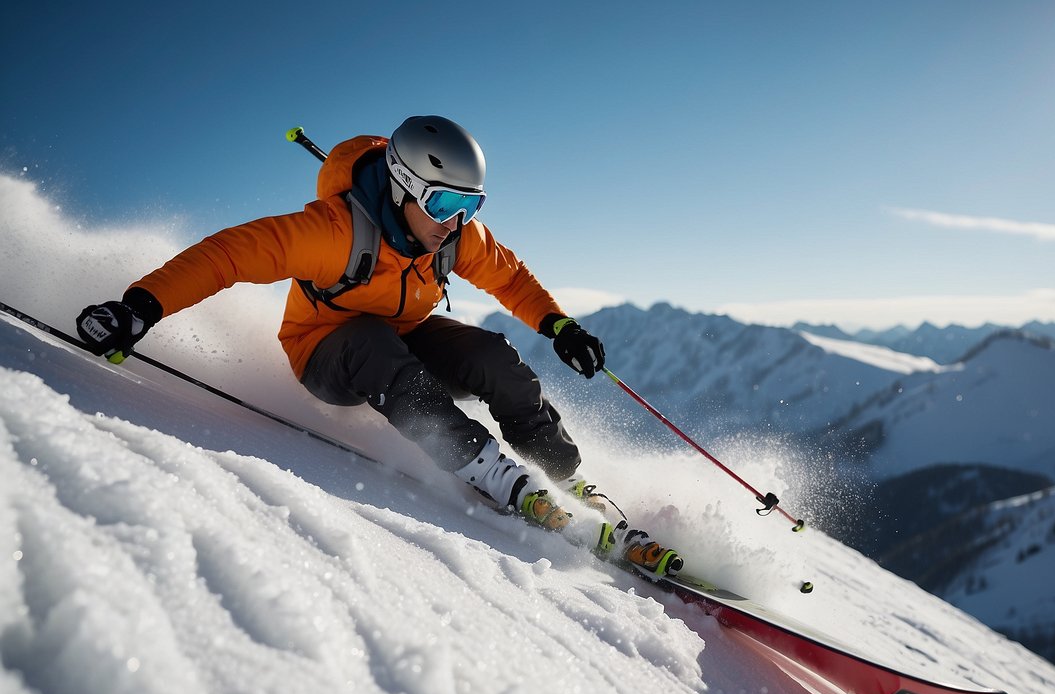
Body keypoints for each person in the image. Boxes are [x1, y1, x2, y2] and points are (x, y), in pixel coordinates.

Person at [75, 115, 680, 575]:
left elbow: (508, 275)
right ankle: (496, 475)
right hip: (328, 353)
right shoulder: (330, 233)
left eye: (470, 206)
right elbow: (228, 255)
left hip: (406, 336)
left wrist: (559, 326)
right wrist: (139, 307)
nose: (455, 221)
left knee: (494, 358)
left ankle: (565, 476)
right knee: (373, 346)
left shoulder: (452, 238)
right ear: (405, 189)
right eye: (444, 203)